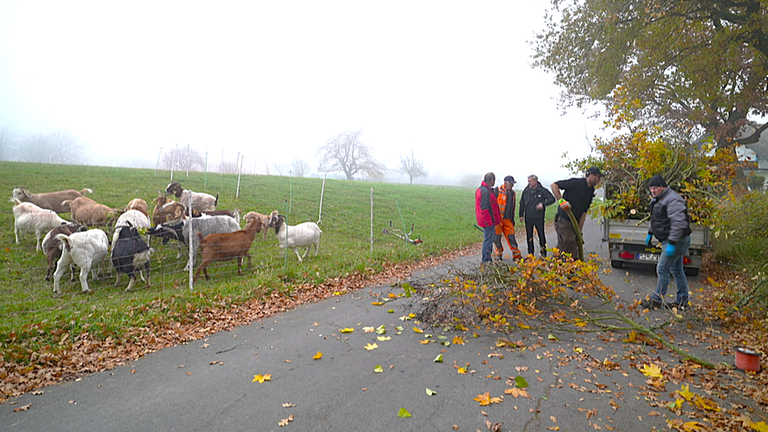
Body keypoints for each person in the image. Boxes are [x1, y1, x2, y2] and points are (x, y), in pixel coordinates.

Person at [640, 175, 693, 310]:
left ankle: (657, 299)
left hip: (677, 241)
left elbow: (678, 223)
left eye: (655, 188)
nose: (653, 191)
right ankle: (682, 300)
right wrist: (650, 232)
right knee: (677, 270)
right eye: (651, 188)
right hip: (668, 240)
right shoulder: (657, 198)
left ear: (663, 187)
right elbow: (655, 218)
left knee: (662, 268)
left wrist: (672, 243)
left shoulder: (673, 200)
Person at [550, 167, 603, 259]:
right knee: (570, 243)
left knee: (564, 244)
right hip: (564, 219)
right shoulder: (575, 183)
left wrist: (579, 231)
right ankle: (574, 264)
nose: (599, 180)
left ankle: (553, 262)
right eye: (598, 177)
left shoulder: (590, 191)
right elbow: (554, 185)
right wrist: (561, 201)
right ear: (592, 176)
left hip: (574, 221)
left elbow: (584, 212)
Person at [519, 174, 555, 257]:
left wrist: (543, 204)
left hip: (538, 217)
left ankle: (543, 254)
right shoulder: (526, 190)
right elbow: (522, 202)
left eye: (530, 181)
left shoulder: (542, 191)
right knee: (529, 236)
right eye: (528, 181)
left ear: (536, 181)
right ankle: (530, 254)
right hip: (528, 217)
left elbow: (552, 199)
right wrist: (521, 215)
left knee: (541, 235)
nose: (529, 183)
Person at [493, 176, 522, 260]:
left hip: (508, 219)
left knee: (511, 236)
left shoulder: (513, 193)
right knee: (497, 237)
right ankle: (498, 254)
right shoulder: (497, 190)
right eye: (511, 183)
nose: (512, 185)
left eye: (513, 184)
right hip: (497, 219)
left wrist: (512, 219)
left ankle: (517, 255)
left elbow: (513, 207)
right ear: (505, 183)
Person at [475, 172, 501, 265]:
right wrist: (489, 222)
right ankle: (486, 260)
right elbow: (484, 209)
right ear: (492, 180)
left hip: (487, 220)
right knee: (488, 241)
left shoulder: (482, 189)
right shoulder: (485, 192)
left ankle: (488, 258)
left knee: (489, 239)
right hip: (488, 220)